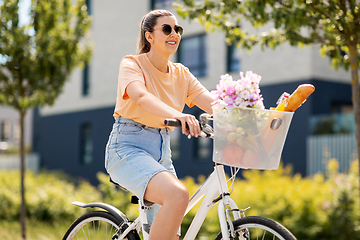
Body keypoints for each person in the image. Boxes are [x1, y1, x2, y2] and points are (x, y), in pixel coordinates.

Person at [105, 9, 214, 240]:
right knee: (177, 195)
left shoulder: (181, 73)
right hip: (127, 147)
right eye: (167, 29)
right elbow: (141, 97)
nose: (174, 33)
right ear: (149, 36)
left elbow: (212, 103)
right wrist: (180, 115)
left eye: (177, 29)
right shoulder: (132, 64)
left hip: (162, 151)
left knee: (169, 235)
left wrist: (251, 111)